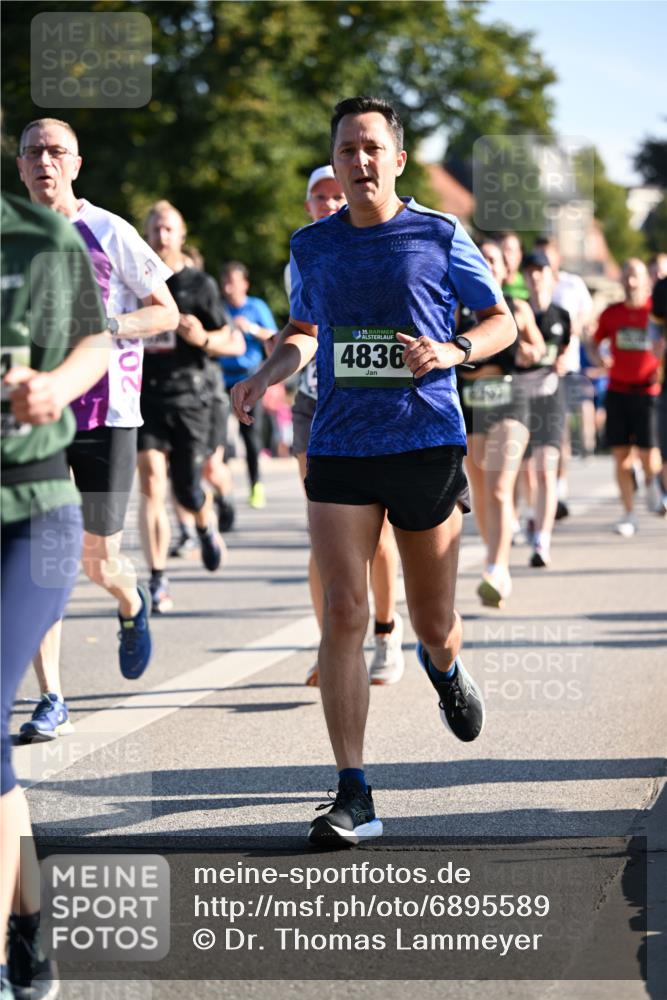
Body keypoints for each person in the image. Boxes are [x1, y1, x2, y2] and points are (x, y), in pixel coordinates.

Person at [232, 96, 515, 846]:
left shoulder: (437, 232)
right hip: (340, 443)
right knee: (345, 612)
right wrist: (266, 375)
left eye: (371, 148)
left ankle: (446, 669)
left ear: (395, 158)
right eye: (345, 149)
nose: (358, 161)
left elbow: (500, 321)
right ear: (334, 161)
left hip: (423, 441)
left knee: (432, 622)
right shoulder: (312, 245)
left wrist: (451, 352)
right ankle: (352, 790)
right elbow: (303, 332)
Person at [16, 118, 179, 742]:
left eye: (56, 151)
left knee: (96, 560)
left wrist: (107, 327)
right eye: (33, 153)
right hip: (35, 421)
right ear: (21, 166)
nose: (44, 162)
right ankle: (52, 697)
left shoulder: (110, 230)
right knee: (43, 559)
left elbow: (167, 309)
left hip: (107, 415)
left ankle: (131, 600)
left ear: (76, 164)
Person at [1, 191, 111, 1000]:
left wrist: (56, 386)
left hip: (30, 515)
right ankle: (28, 920)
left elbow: (95, 342)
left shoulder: (34, 234)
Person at [288, 165, 405, 685]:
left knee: (377, 535)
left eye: (336, 194)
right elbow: (302, 330)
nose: (329, 202)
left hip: (372, 407)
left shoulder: (380, 244)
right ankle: (333, 643)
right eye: (319, 196)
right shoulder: (304, 253)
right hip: (316, 403)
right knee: (325, 535)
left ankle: (385, 631)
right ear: (309, 203)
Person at [139, 201, 244, 612]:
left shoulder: (199, 284)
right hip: (146, 395)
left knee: (186, 486)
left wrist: (201, 337)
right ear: (145, 234)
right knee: (150, 480)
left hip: (190, 396)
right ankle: (158, 579)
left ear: (181, 235)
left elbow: (231, 341)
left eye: (168, 229)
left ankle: (204, 524)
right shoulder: (135, 279)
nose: (161, 236)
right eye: (154, 229)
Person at [458, 239, 544, 607]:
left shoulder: (517, 309)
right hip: (471, 405)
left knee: (498, 486)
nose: (487, 264)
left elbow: (538, 348)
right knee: (480, 491)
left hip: (510, 402)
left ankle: (498, 568)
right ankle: (493, 555)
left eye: (492, 259)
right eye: (480, 259)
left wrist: (529, 351)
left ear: (504, 270)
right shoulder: (457, 309)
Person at [587, 259, 662, 535]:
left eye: (636, 277)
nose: (631, 283)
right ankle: (629, 513)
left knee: (648, 456)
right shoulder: (611, 314)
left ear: (646, 281)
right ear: (621, 280)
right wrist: (599, 358)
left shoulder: (656, 313)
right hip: (617, 390)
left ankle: (654, 485)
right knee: (620, 457)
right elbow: (594, 342)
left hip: (647, 392)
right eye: (627, 277)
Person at [516, 250, 571, 568]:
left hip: (550, 396)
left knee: (545, 468)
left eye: (541, 271)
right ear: (524, 278)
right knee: (526, 473)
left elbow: (565, 351)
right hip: (520, 397)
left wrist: (563, 360)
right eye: (530, 272)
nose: (535, 277)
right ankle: (532, 517)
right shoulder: (519, 312)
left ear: (552, 276)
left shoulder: (561, 315)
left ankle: (542, 540)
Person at [534, 235, 596, 512]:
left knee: (561, 433)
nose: (543, 262)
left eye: (548, 255)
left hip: (567, 366)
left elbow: (587, 315)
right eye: (539, 256)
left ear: (557, 257)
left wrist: (573, 328)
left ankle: (559, 487)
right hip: (536, 369)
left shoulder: (572, 284)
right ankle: (540, 494)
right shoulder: (530, 285)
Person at [219, 262, 278, 509]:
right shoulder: (219, 309)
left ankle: (256, 485)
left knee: (250, 435)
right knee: (218, 438)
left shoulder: (256, 307)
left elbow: (275, 337)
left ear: (245, 284)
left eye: (233, 281)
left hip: (250, 378)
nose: (228, 287)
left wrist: (250, 328)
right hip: (220, 379)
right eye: (225, 282)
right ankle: (222, 491)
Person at [499, 232, 530, 301]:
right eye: (501, 250)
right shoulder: (489, 284)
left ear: (520, 255)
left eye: (509, 250)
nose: (505, 255)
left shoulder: (529, 284)